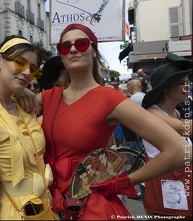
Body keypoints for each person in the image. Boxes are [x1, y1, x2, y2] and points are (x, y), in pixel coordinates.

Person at [16, 23, 188, 219]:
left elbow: (180, 150)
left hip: (90, 205)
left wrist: (122, 182)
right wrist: (16, 84)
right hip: (50, 201)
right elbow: (6, 108)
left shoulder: (110, 99)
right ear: (62, 57)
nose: (72, 49)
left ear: (94, 51)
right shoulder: (48, 97)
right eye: (65, 46)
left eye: (81, 44)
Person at [0, 36, 57, 219]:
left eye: (32, 69)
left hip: (45, 207)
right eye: (20, 63)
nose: (26, 73)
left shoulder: (22, 105)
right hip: (15, 212)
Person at [141, 52, 192, 218]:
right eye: (181, 83)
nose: (188, 86)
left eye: (188, 82)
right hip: (165, 187)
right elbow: (185, 128)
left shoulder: (176, 111)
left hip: (181, 182)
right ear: (166, 88)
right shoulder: (153, 113)